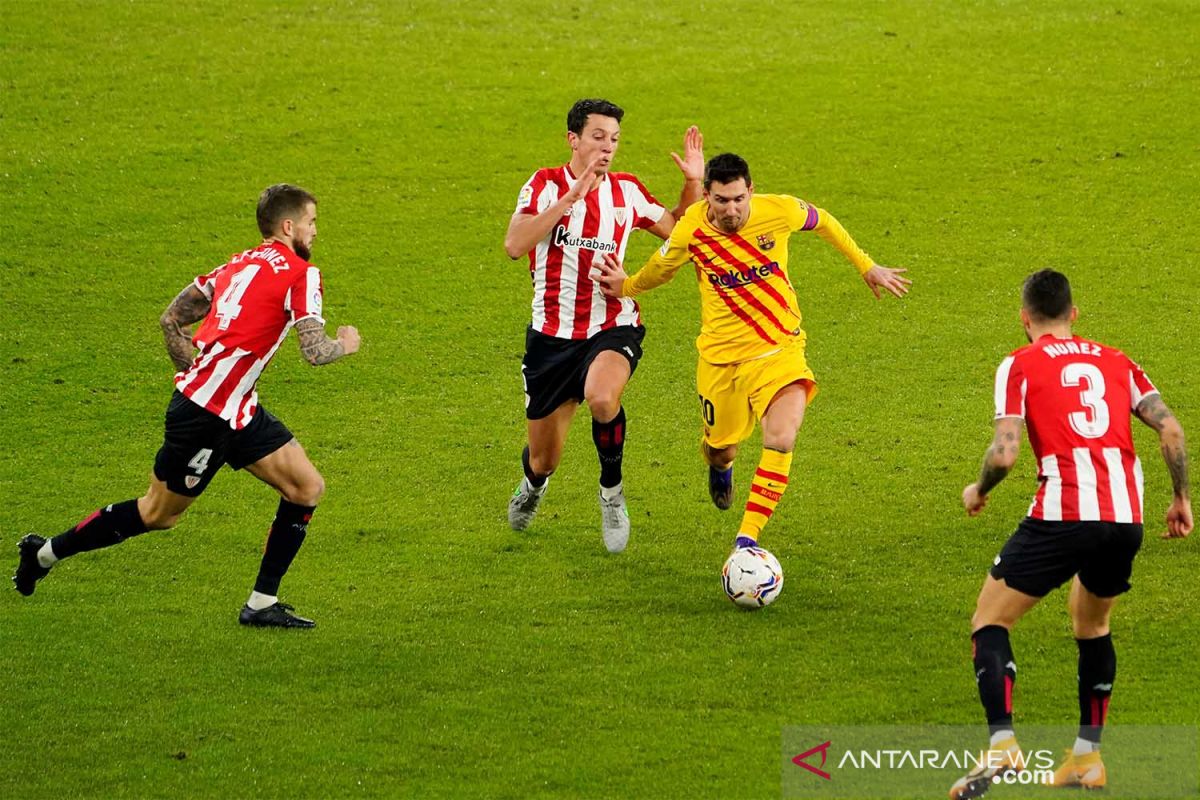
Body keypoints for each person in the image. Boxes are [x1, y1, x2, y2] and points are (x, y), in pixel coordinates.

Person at [12, 184, 361, 629]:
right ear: (288, 226)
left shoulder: (238, 263)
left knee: (305, 487)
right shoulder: (300, 273)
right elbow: (314, 351)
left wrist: (196, 367)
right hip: (204, 418)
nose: (315, 232)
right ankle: (43, 553)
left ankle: (260, 604)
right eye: (311, 222)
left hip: (236, 409)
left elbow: (171, 317)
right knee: (159, 514)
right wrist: (345, 345)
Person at [947, 269, 1192, 799]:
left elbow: (1006, 451)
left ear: (1024, 319)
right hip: (1124, 519)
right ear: (1074, 315)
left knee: (989, 619)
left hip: (1063, 514)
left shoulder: (1019, 364)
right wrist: (1180, 499)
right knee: (1092, 626)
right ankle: (1086, 759)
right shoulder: (1118, 361)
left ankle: (1003, 743)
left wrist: (978, 488)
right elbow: (1171, 428)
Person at [594, 153, 909, 551]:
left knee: (781, 435)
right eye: (722, 200)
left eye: (739, 199)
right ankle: (722, 467)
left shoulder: (778, 211)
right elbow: (662, 269)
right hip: (720, 359)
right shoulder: (691, 229)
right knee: (721, 449)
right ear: (706, 196)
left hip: (779, 349)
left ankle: (747, 541)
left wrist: (866, 265)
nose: (732, 209)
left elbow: (823, 220)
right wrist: (626, 286)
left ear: (751, 192)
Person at [504, 98, 704, 553]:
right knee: (544, 459)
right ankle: (533, 486)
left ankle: (611, 494)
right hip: (550, 339)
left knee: (601, 396)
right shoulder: (542, 185)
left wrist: (693, 182)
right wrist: (573, 197)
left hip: (612, 327)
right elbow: (515, 245)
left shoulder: (627, 191)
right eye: (598, 136)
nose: (607, 147)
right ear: (573, 139)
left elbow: (682, 233)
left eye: (614, 139)